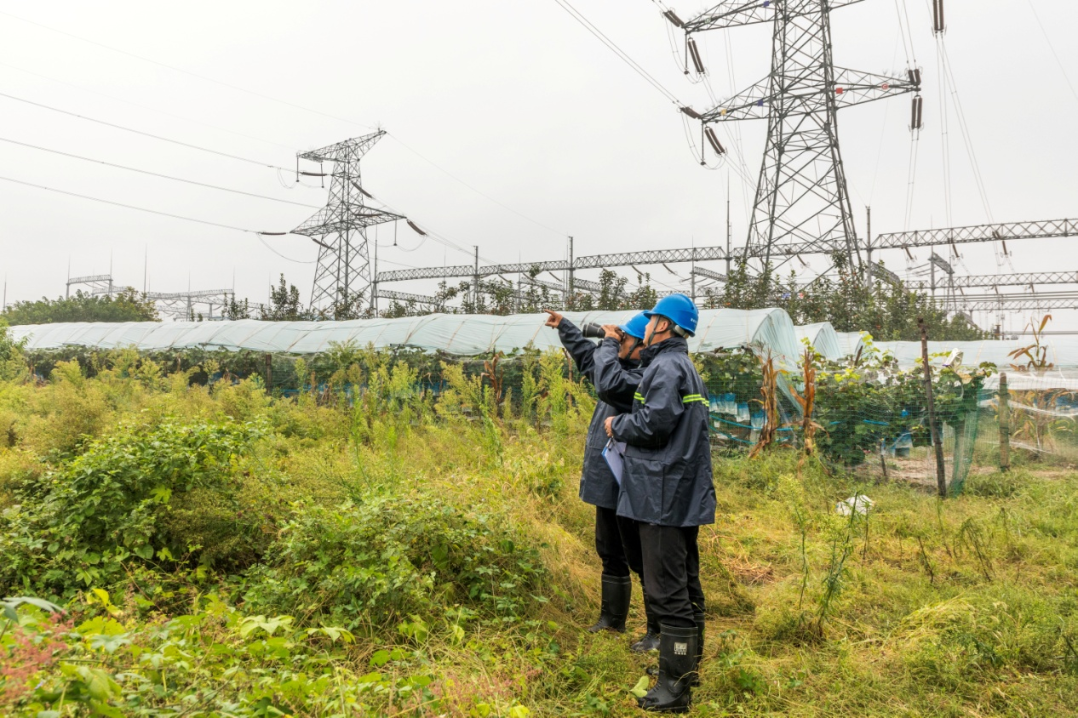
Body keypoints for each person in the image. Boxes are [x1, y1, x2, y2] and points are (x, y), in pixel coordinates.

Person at [602, 294, 715, 713]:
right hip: (679, 492)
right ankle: (687, 670)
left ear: (664, 325)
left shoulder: (665, 367)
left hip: (662, 495)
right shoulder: (683, 367)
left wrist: (618, 424)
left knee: (667, 592)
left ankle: (674, 688)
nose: (645, 326)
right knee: (685, 584)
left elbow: (655, 423)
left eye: (651, 320)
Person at [543, 308, 649, 635]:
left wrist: (607, 343)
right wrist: (567, 328)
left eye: (625, 338)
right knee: (609, 550)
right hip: (609, 480)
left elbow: (605, 377)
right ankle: (612, 621)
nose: (618, 342)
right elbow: (591, 360)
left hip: (630, 484)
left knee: (642, 559)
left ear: (642, 345)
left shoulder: (638, 378)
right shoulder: (616, 367)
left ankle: (658, 628)